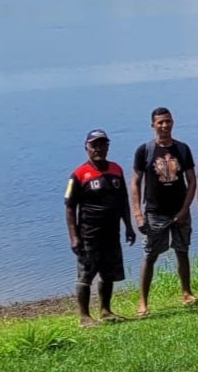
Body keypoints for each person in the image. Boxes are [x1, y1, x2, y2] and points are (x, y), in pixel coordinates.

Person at [65, 129, 137, 327]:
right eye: (94, 145)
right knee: (85, 275)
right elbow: (70, 207)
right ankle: (84, 317)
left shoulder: (116, 170)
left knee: (108, 273)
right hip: (89, 234)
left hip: (112, 233)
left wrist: (129, 227)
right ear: (87, 148)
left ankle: (105, 311)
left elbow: (123, 200)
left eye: (102, 144)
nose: (99, 148)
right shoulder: (78, 175)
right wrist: (74, 237)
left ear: (108, 146)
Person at [130, 107, 198, 317]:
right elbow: (135, 182)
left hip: (179, 211)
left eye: (168, 121)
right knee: (150, 255)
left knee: (182, 251)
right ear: (153, 125)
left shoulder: (182, 149)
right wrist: (138, 214)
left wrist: (186, 209)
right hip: (155, 212)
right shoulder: (145, 150)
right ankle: (143, 302)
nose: (164, 126)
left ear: (173, 123)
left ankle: (187, 292)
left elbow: (192, 180)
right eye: (160, 122)